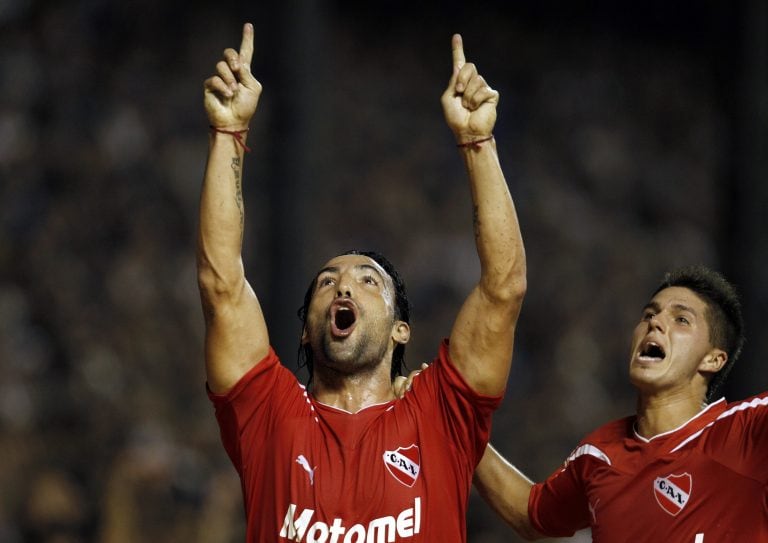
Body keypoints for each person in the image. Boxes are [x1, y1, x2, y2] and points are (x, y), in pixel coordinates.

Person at [197, 22, 526, 542]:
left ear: (401, 330)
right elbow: (221, 285)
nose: (343, 288)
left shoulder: (440, 414)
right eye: (326, 283)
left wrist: (477, 141)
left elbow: (503, 288)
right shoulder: (268, 414)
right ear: (305, 330)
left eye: (368, 282)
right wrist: (228, 134)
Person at [470, 265, 768, 541]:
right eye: (649, 315)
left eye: (681, 319)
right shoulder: (598, 455)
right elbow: (531, 513)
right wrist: (457, 419)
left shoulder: (745, 433)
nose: (655, 323)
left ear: (713, 359)